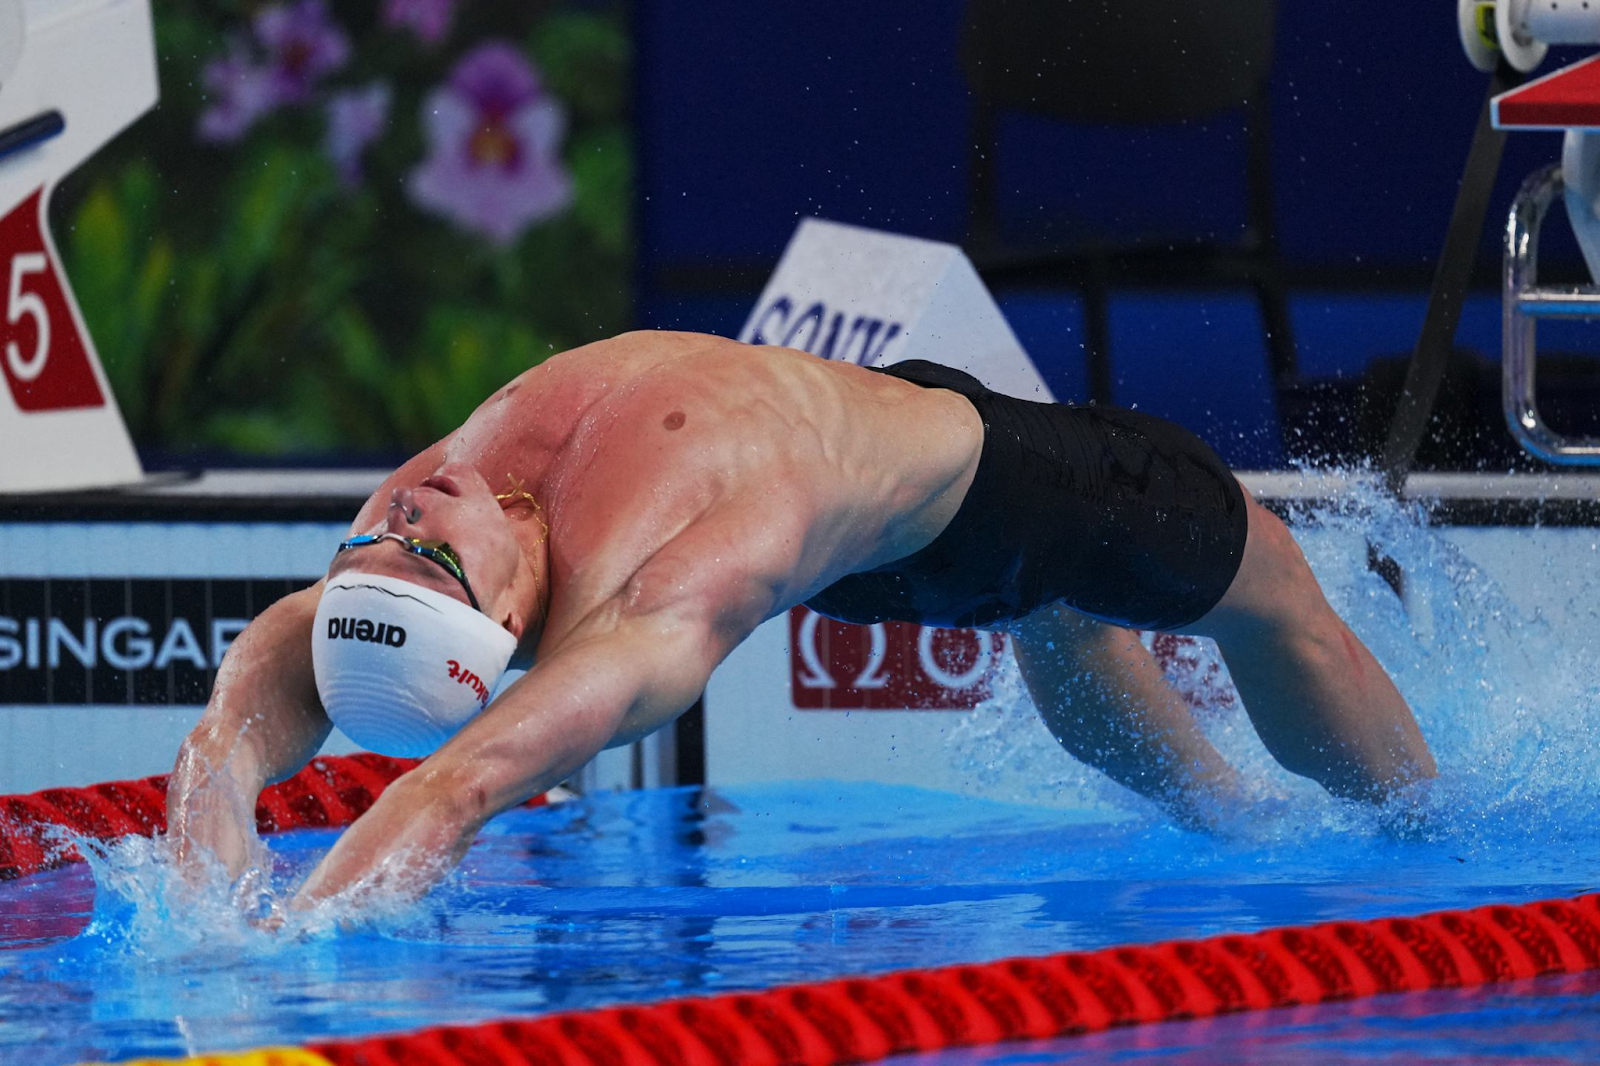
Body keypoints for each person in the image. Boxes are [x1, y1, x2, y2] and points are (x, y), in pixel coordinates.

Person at [168, 331, 1436, 910]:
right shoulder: (656, 596)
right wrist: (289, 950)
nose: (405, 506)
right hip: (1005, 492)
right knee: (1279, 605)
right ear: (501, 613)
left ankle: (1234, 822)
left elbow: (274, 674)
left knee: (1062, 623)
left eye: (373, 544)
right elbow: (453, 789)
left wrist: (213, 807)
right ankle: (1430, 837)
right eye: (423, 549)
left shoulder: (430, 519)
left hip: (864, 473)